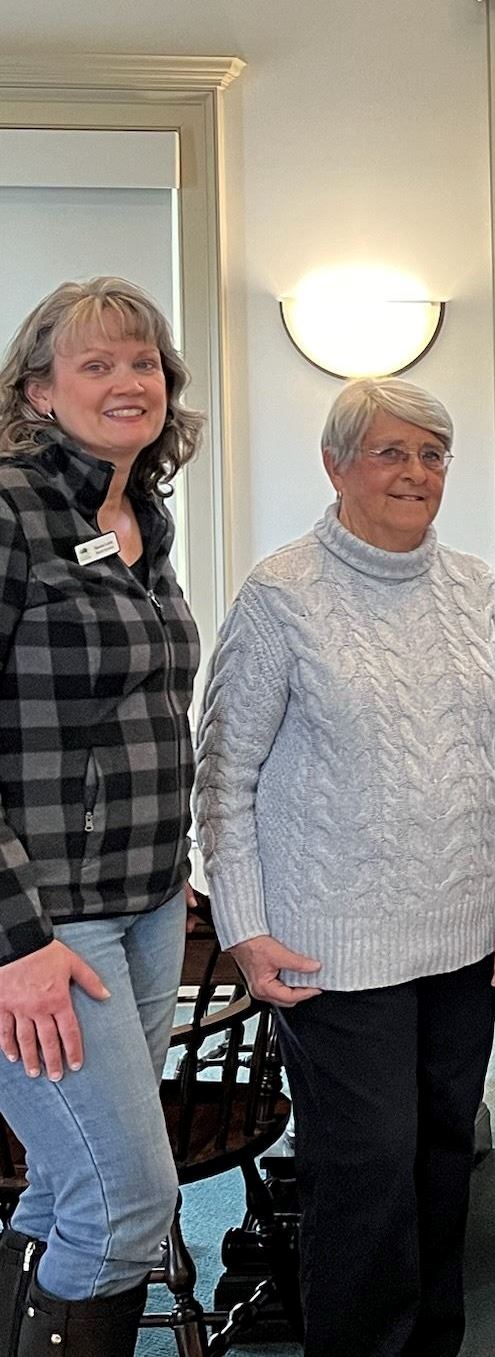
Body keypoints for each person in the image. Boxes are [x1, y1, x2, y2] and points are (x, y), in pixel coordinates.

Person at [193, 376, 495, 1357]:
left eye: (432, 454)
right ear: (335, 465)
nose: (415, 472)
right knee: (367, 1170)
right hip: (330, 943)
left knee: (443, 1157)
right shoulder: (280, 592)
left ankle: (429, 1343)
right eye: (391, 452)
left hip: (463, 932)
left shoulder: (474, 586)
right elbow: (223, 775)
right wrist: (245, 927)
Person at [0, 277, 202, 1355]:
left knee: (69, 1188)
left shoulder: (142, 520)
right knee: (130, 1202)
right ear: (38, 391)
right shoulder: (8, 509)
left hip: (145, 903)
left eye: (144, 364)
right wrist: (14, 944)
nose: (130, 382)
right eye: (97, 364)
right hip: (45, 924)